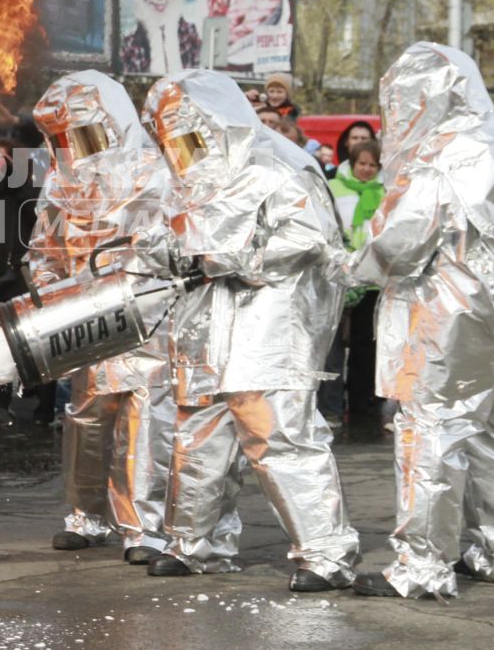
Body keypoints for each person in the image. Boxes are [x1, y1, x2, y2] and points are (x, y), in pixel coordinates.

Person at [348, 44, 494, 599]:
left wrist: (349, 265)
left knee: (429, 435)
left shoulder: (442, 155)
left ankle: (422, 567)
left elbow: (400, 244)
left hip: (448, 313)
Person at [140, 70, 360, 590]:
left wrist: (228, 258)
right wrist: (169, 254)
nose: (178, 146)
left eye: (187, 132)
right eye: (169, 135)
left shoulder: (280, 165)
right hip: (203, 320)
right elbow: (157, 236)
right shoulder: (183, 175)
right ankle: (195, 544)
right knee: (198, 431)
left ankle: (326, 554)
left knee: (275, 430)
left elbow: (312, 241)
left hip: (270, 313)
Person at [26, 72, 187, 562]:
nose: (77, 148)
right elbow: (44, 253)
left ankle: (143, 529)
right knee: (86, 418)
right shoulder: (61, 185)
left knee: (146, 419)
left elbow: (176, 243)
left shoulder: (153, 174)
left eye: (86, 133)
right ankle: (86, 516)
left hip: (147, 316)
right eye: (66, 139)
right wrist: (50, 295)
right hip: (85, 318)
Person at [328, 139, 386, 429]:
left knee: (366, 344)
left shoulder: (384, 192)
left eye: (372, 165)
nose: (366, 170)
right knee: (333, 344)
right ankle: (332, 403)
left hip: (372, 278)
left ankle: (362, 403)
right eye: (361, 164)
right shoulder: (335, 187)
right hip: (339, 274)